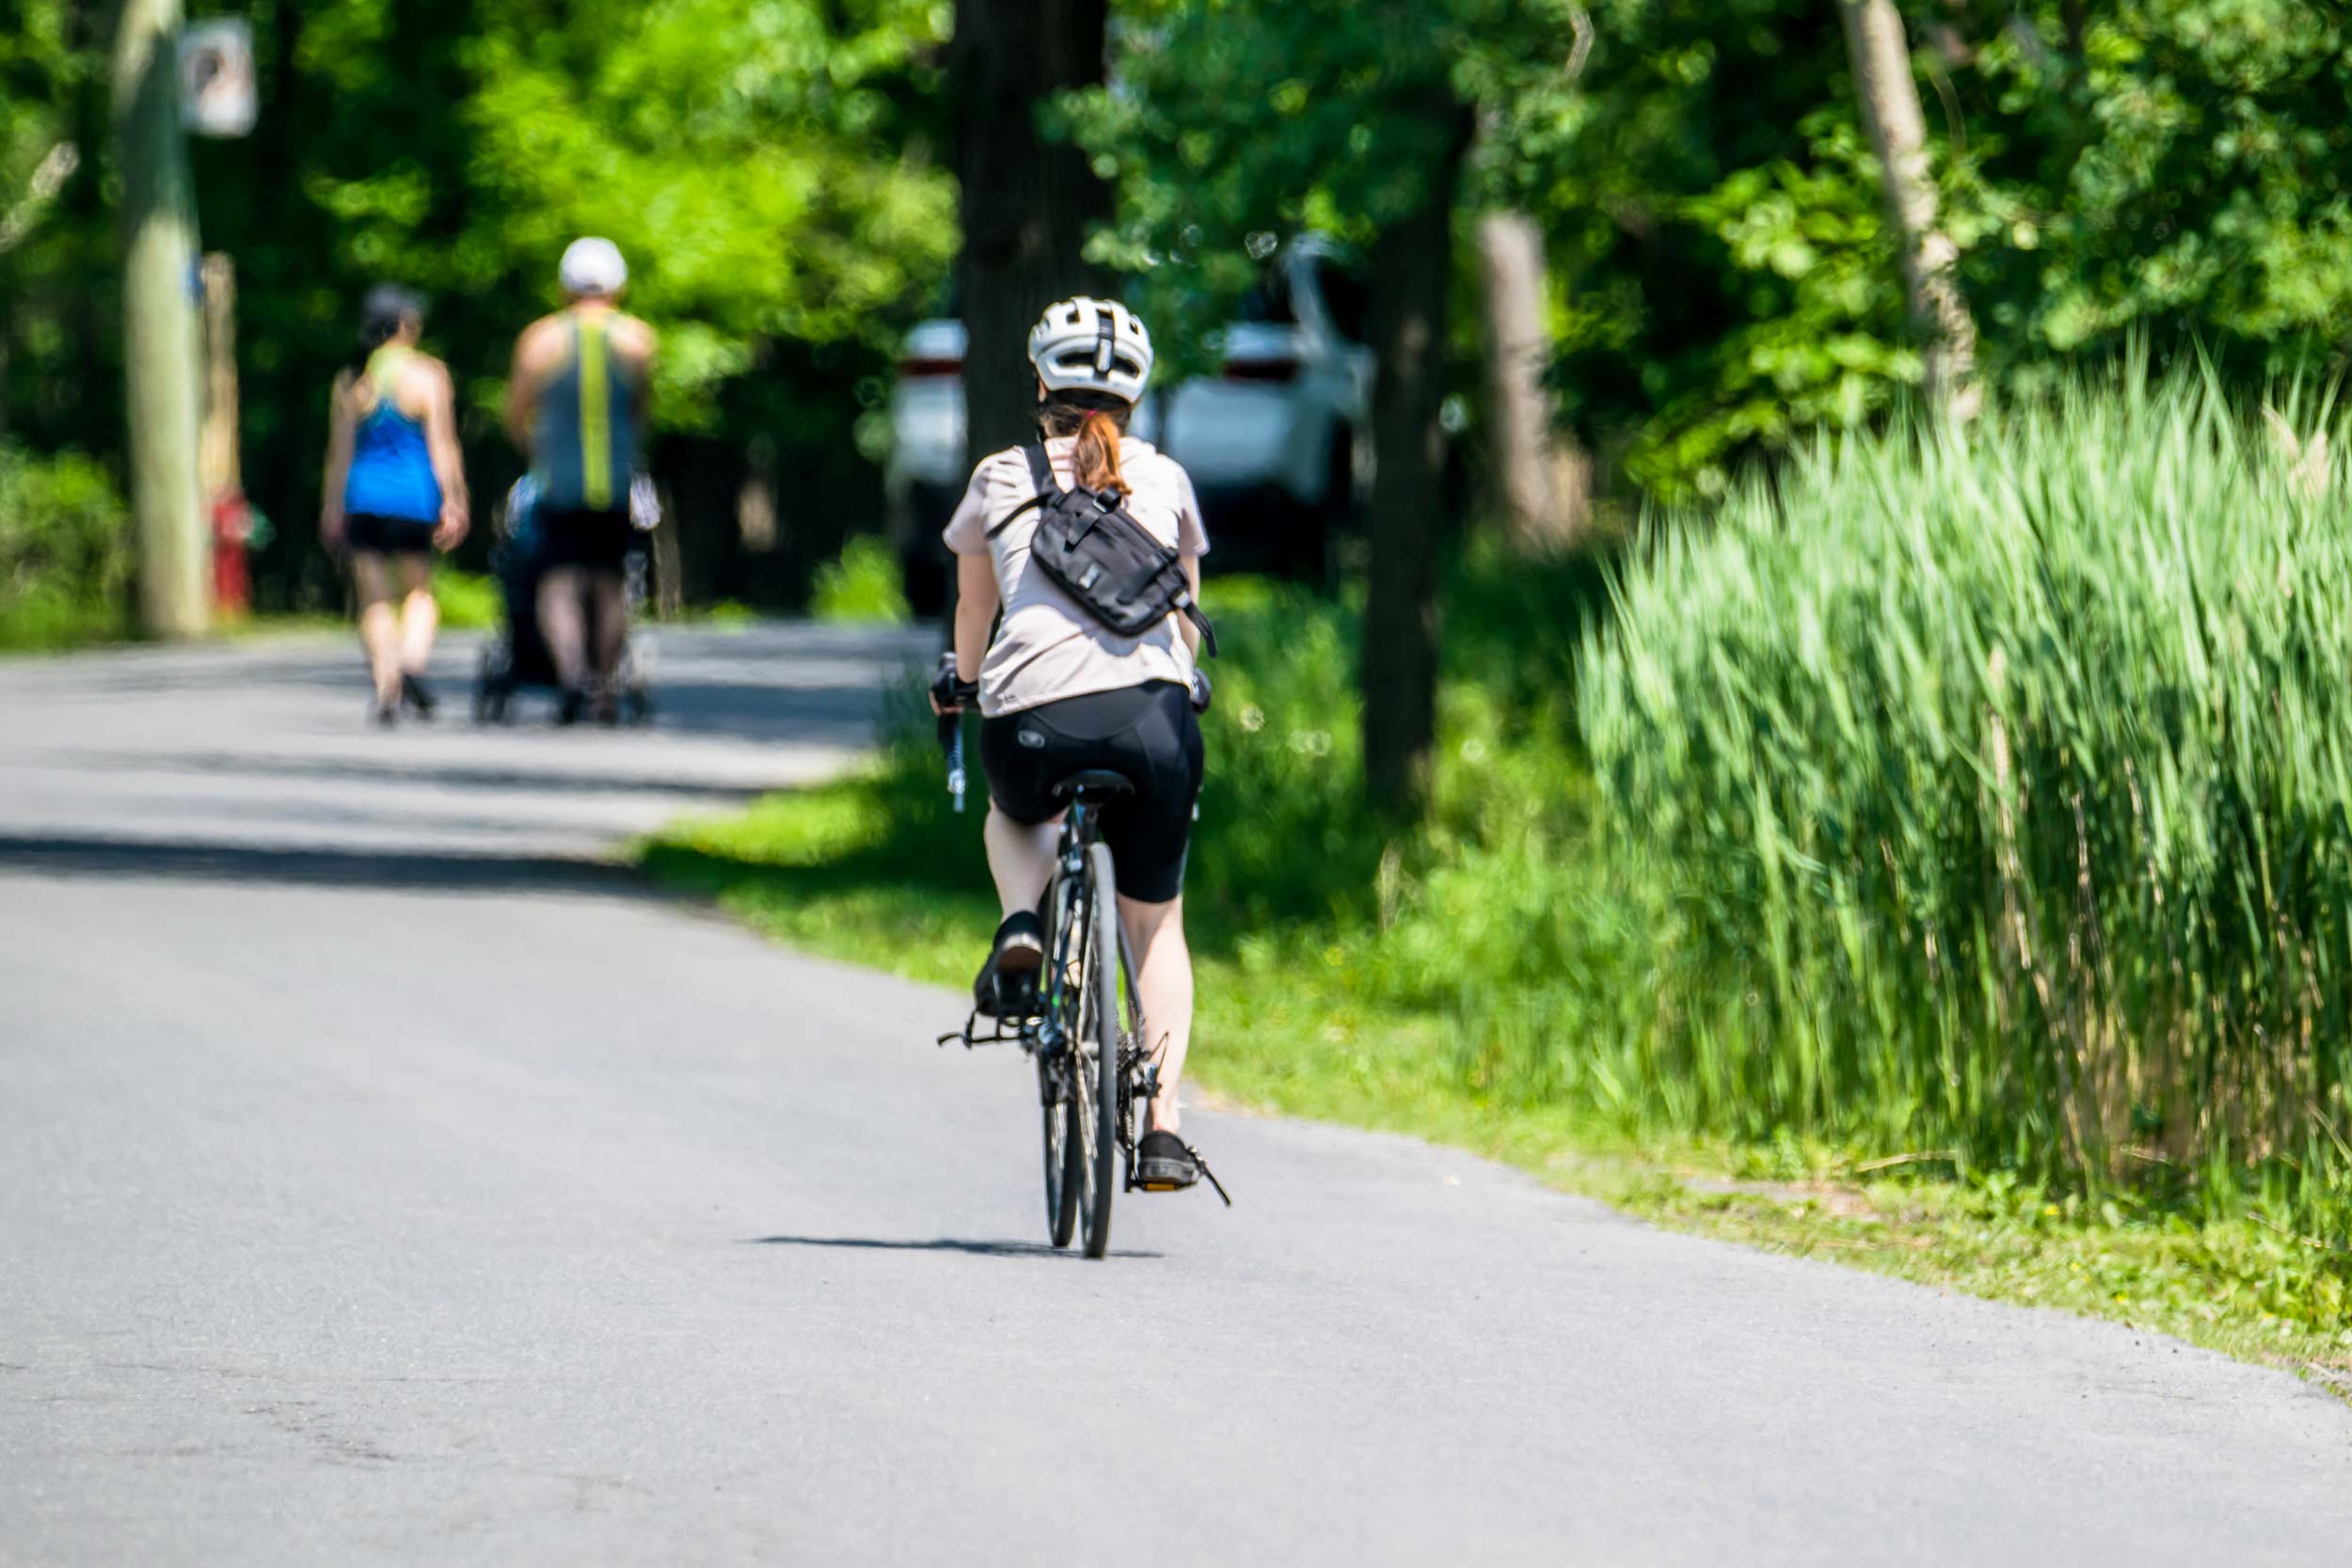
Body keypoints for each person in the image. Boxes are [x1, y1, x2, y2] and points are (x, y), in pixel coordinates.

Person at [930, 296, 1213, 1191]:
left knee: (1017, 813)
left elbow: (976, 611)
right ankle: (1164, 1126)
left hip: (1035, 719)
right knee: (1155, 921)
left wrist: (964, 686)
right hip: (1155, 722)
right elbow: (1189, 620)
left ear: (1041, 379)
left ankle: (1022, 923)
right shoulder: (1165, 479)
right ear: (1136, 391)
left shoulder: (998, 475)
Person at [503, 237, 657, 725]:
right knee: (611, 584)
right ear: (619, 284)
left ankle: (571, 676)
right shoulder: (637, 340)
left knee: (558, 583)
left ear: (564, 285)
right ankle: (607, 690)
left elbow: (516, 414)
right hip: (614, 484)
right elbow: (640, 414)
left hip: (559, 483)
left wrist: (537, 453)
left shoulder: (540, 339)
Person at [319, 285, 469, 724]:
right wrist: (455, 500)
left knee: (374, 599)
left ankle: (387, 685)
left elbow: (339, 453)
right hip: (414, 498)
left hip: (363, 497)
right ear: (405, 325)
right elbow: (443, 445)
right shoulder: (428, 375)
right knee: (419, 593)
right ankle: (410, 663)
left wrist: (331, 507)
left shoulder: (351, 379)